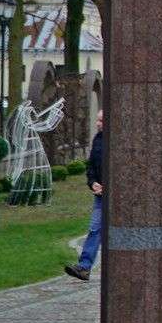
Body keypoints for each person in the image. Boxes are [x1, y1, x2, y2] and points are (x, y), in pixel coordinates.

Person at [63, 106, 105, 282]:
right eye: (98, 120)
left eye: (101, 120)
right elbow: (91, 166)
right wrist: (92, 182)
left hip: (116, 195)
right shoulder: (98, 140)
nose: (98, 123)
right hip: (100, 194)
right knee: (95, 229)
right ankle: (84, 267)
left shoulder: (119, 141)